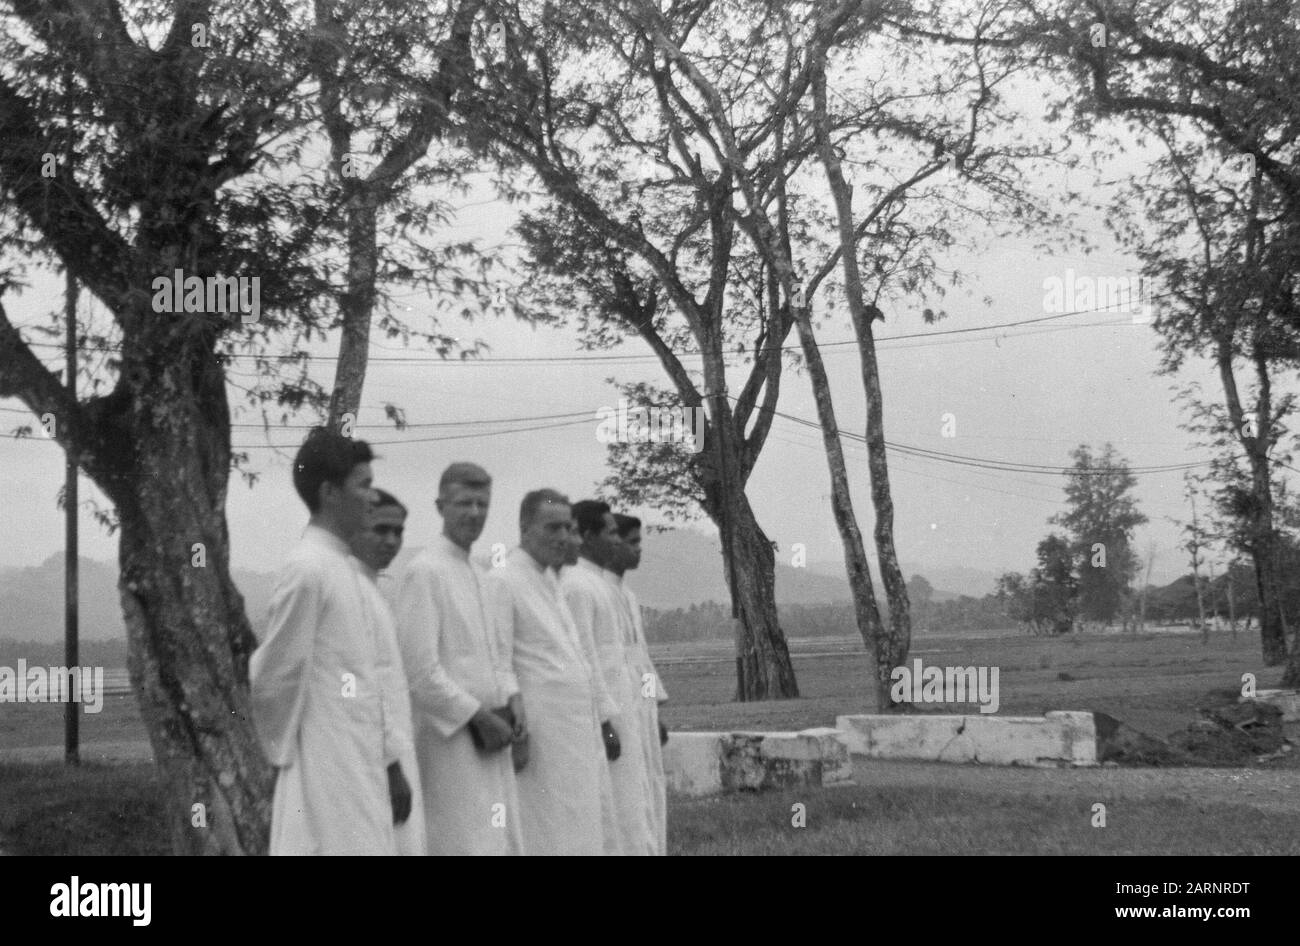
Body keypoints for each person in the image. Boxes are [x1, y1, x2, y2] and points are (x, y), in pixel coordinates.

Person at [250, 427, 412, 855]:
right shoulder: (308, 570)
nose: (372, 497)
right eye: (364, 485)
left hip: (362, 761)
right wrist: (294, 756)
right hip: (324, 766)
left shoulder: (346, 570)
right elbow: (273, 677)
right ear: (329, 492)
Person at [390, 463, 525, 856]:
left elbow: (495, 658)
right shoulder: (425, 572)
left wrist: (513, 701)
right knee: (460, 840)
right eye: (464, 503)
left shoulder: (481, 575)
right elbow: (419, 671)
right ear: (440, 506)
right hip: (450, 741)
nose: (474, 513)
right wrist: (477, 717)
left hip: (492, 736)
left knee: (494, 840)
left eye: (483, 504)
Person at [485, 489, 616, 855]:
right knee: (544, 831)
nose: (562, 537)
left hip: (573, 732)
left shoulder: (550, 581)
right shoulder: (503, 580)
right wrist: (517, 728)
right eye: (552, 527)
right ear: (525, 528)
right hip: (539, 735)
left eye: (567, 527)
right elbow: (498, 661)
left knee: (580, 827)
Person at [562, 500, 653, 856]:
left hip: (625, 707)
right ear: (587, 537)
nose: (617, 541)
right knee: (615, 808)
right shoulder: (579, 586)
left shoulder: (600, 585)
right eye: (612, 533)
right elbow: (584, 659)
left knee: (632, 804)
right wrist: (604, 720)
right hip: (605, 716)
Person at [348, 489, 427, 856]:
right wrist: (391, 767)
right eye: (381, 530)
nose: (392, 541)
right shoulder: (347, 590)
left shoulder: (374, 589)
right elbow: (362, 689)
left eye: (399, 532)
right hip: (371, 760)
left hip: (393, 751)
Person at [609, 513, 669, 856]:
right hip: (618, 707)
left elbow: (641, 657)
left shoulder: (627, 596)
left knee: (648, 788)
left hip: (639, 706)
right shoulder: (593, 590)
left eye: (639, 543)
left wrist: (653, 709)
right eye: (631, 542)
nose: (637, 550)